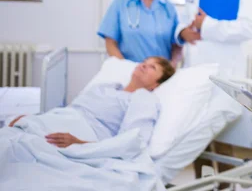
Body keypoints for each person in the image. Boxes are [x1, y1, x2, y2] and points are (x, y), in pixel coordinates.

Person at [176, 0, 252, 191]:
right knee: (197, 139)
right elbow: (184, 24)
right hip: (196, 74)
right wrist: (182, 32)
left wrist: (206, 25)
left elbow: (246, 29)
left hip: (225, 75)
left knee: (222, 142)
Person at [9, 56, 175, 148]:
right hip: (63, 119)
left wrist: (81, 144)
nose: (144, 66)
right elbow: (72, 110)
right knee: (14, 130)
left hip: (81, 134)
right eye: (145, 62)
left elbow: (132, 142)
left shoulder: (142, 99)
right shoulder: (107, 86)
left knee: (19, 148)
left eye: (152, 67)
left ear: (156, 84)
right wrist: (39, 118)